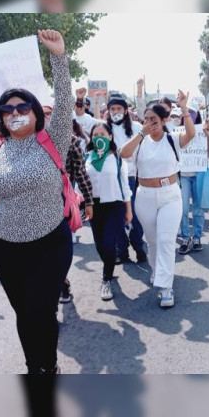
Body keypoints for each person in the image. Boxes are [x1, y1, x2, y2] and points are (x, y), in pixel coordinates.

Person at [0, 29, 74, 374]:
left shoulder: (52, 139)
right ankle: (34, 366)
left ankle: (48, 364)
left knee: (41, 310)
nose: (14, 113)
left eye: (22, 106)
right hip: (7, 248)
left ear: (36, 112)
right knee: (24, 313)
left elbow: (66, 101)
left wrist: (59, 57)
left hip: (49, 243)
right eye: (6, 109)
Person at [120, 90, 196, 308]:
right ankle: (156, 270)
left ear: (164, 121)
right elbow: (124, 154)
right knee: (152, 241)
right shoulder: (140, 140)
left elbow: (190, 135)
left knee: (165, 240)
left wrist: (184, 108)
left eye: (154, 119)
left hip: (170, 195)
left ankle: (165, 287)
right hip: (145, 197)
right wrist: (141, 134)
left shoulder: (172, 140)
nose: (150, 123)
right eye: (146, 119)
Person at [81, 80, 148, 265]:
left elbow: (145, 119)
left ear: (126, 110)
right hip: (108, 182)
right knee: (117, 221)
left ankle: (139, 247)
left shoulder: (135, 127)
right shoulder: (105, 127)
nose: (116, 112)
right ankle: (123, 250)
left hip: (130, 179)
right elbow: (86, 120)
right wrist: (90, 101)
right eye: (113, 109)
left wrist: (140, 92)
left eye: (119, 108)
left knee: (132, 215)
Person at [43, 105, 94, 304]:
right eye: (43, 114)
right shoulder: (27, 144)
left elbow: (81, 173)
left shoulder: (71, 142)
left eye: (50, 114)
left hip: (62, 205)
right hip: (34, 208)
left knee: (60, 250)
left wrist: (88, 201)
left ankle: (60, 281)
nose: (47, 118)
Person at [84, 122, 132, 301]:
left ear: (110, 137)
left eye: (103, 134)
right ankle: (109, 267)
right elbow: (82, 184)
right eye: (95, 134)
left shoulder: (117, 158)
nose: (99, 137)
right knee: (99, 245)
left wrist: (129, 210)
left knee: (109, 244)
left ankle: (106, 279)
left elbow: (125, 187)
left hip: (114, 205)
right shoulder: (86, 157)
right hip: (93, 206)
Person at [178, 107, 205, 255]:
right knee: (182, 208)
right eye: (188, 114)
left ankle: (197, 237)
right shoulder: (177, 131)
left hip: (199, 174)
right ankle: (185, 237)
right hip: (183, 175)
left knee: (198, 208)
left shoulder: (203, 131)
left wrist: (208, 135)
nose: (191, 116)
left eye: (193, 114)